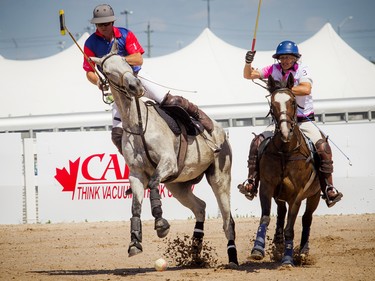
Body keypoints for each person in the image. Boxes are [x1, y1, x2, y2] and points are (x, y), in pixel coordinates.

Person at [83, 4, 214, 154]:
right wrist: (99, 82)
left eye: (106, 23)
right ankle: (135, 162)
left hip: (137, 77)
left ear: (112, 22)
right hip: (118, 88)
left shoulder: (125, 35)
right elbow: (89, 71)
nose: (103, 27)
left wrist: (119, 61)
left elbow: (138, 59)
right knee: (117, 135)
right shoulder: (90, 43)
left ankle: (197, 116)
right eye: (99, 24)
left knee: (170, 101)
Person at [238, 40, 343, 208]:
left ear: (295, 58)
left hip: (303, 120)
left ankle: (329, 188)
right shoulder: (273, 70)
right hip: (281, 122)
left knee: (323, 147)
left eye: (289, 58)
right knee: (256, 142)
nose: (285, 61)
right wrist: (248, 63)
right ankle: (251, 183)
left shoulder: (303, 69)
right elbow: (248, 75)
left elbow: (306, 89)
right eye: (282, 58)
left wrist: (281, 90)